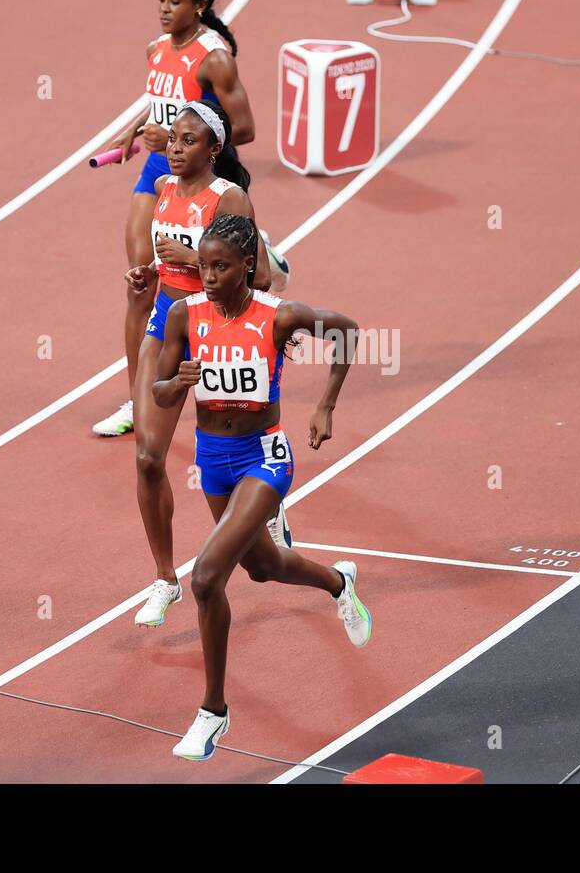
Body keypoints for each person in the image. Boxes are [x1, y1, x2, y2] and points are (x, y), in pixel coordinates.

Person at [152, 214, 372, 760]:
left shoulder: (279, 316)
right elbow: (157, 394)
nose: (207, 277)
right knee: (263, 567)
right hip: (214, 460)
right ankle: (339, 583)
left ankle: (213, 713)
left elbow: (346, 330)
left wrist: (324, 405)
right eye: (202, 266)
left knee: (206, 578)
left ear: (248, 266)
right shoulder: (185, 314)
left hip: (264, 458)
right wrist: (174, 382)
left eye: (220, 267)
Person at [121, 100, 291, 627]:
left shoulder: (229, 196)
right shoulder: (165, 192)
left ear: (214, 149)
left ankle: (269, 503)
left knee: (233, 445)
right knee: (148, 456)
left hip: (220, 330)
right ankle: (163, 579)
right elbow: (163, 264)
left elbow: (259, 277)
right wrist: (149, 276)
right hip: (169, 320)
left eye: (187, 141)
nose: (174, 148)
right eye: (172, 139)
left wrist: (195, 259)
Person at [92, 0, 267, 437]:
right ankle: (137, 401)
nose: (166, 10)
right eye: (161, 0)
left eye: (175, 2)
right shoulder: (155, 49)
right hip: (157, 173)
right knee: (139, 285)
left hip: (200, 176)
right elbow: (164, 101)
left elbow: (243, 129)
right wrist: (138, 128)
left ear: (200, 7)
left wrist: (171, 135)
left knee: (206, 284)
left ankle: (257, 255)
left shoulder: (215, 59)